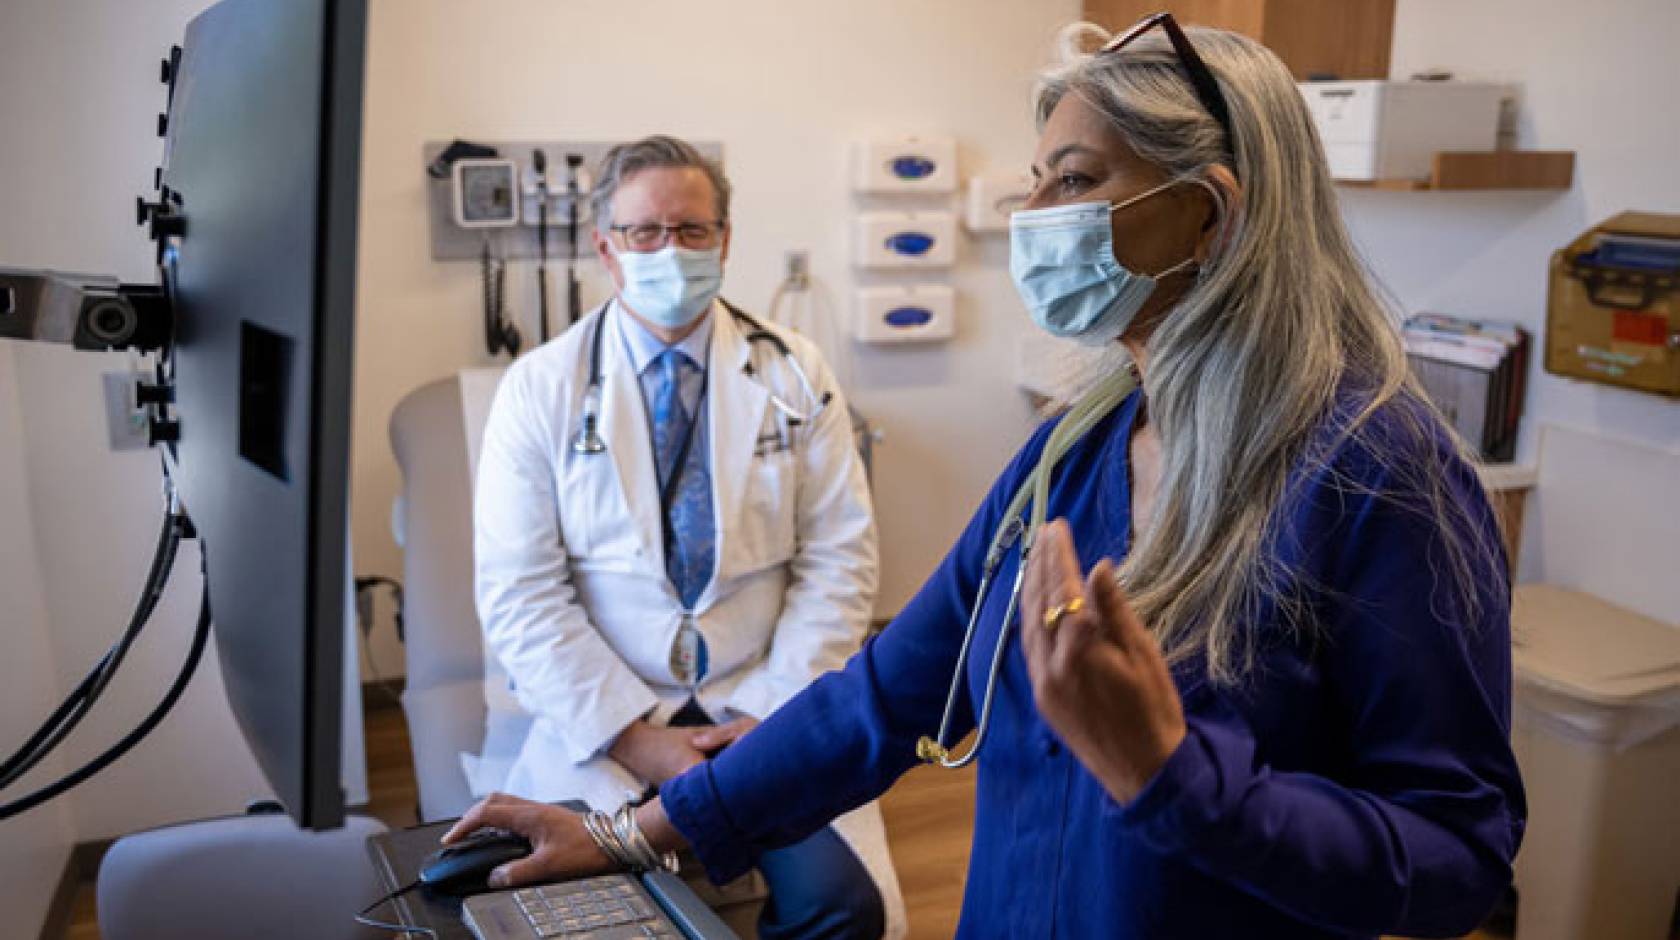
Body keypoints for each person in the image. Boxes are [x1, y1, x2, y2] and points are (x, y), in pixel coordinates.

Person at [450, 20, 1526, 939]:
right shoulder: (1077, 451)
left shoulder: (1378, 478)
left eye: (1074, 179)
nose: (1031, 215)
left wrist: (1178, 780)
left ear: (1208, 210)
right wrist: (625, 832)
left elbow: (1456, 851)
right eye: (1037, 179)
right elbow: (890, 691)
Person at [471, 135, 895, 938]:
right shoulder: (541, 389)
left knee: (843, 908)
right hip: (611, 716)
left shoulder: (796, 373)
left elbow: (841, 556)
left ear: (726, 240)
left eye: (693, 230)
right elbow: (521, 590)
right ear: (606, 248)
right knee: (591, 919)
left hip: (759, 703)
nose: (671, 250)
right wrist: (636, 738)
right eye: (645, 233)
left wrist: (770, 716)